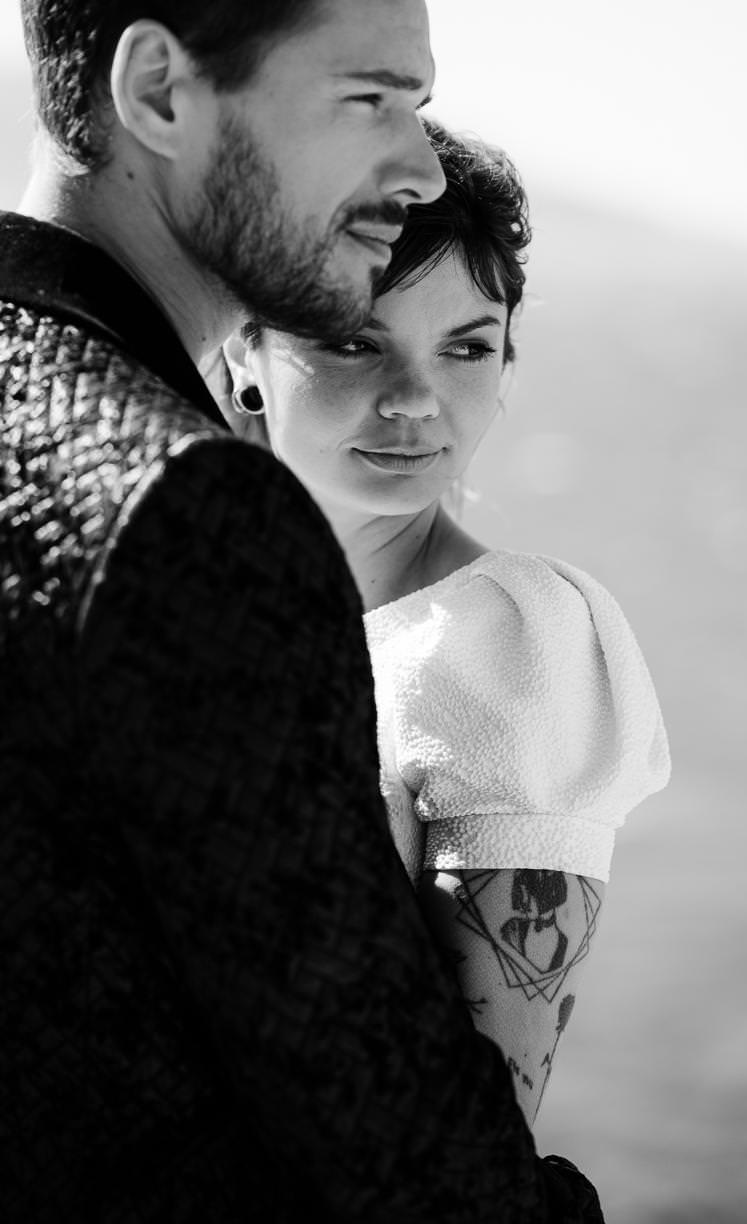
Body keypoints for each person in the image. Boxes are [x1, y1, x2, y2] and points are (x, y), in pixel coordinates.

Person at [0, 0, 605, 1221]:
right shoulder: (189, 513)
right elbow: (412, 1169)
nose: (423, 166)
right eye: (369, 99)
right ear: (159, 89)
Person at [222, 121, 672, 1125]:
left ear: (507, 366)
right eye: (351, 340)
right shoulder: (195, 608)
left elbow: (478, 1127)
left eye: (467, 346)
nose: (417, 400)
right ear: (242, 349)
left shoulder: (511, 639)